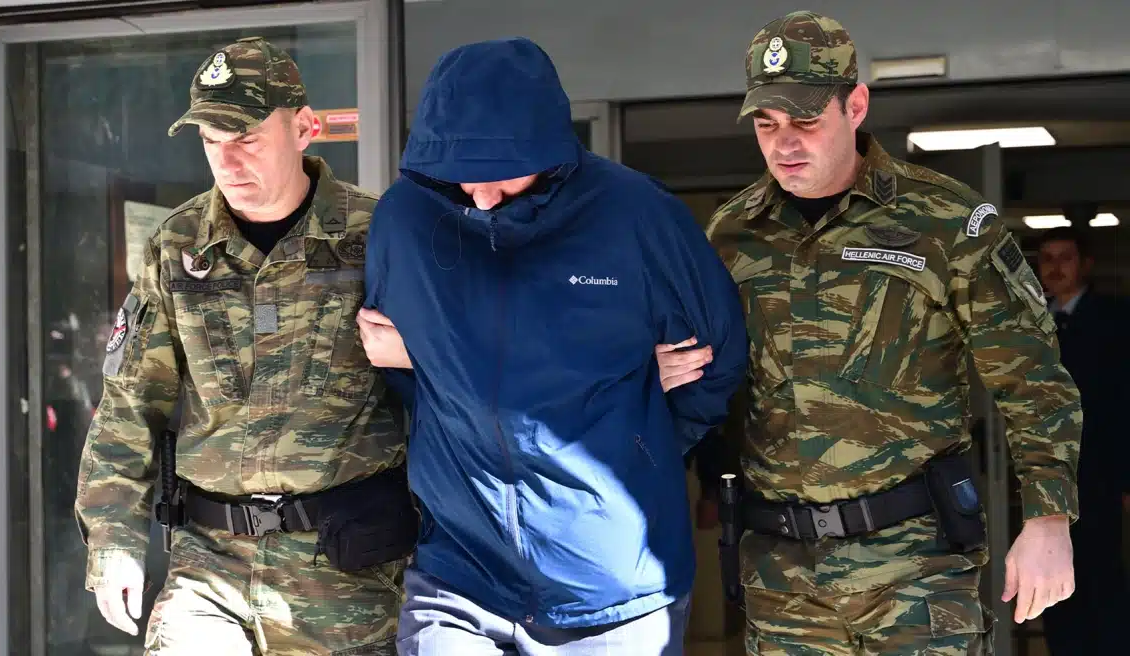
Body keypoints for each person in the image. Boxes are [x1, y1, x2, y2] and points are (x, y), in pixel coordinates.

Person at [657, 11, 1082, 654]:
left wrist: (1049, 518)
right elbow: (707, 379)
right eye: (766, 125)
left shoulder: (945, 221)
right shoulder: (730, 235)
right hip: (783, 578)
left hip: (916, 566)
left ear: (854, 106)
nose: (783, 144)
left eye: (804, 121)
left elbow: (1032, 377)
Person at [355, 36, 748, 655]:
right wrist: (438, 365)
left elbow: (714, 360)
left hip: (611, 585)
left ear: (546, 147)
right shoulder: (405, 219)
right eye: (460, 173)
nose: (480, 195)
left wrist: (636, 434)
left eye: (497, 173)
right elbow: (402, 368)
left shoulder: (638, 214)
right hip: (459, 568)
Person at [74, 37, 414, 655]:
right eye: (211, 141)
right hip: (210, 560)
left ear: (304, 128)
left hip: (345, 570)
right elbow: (130, 402)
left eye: (247, 139)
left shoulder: (380, 236)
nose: (227, 162)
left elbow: (452, 390)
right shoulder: (179, 245)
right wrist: (115, 539)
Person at [1034, 226, 1128, 655]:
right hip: (1047, 470)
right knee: (1052, 571)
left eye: (1065, 258)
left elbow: (1123, 400)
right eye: (1047, 258)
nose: (1055, 268)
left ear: (1086, 264)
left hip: (1101, 468)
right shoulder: (1031, 320)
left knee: (1102, 569)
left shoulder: (1116, 319)